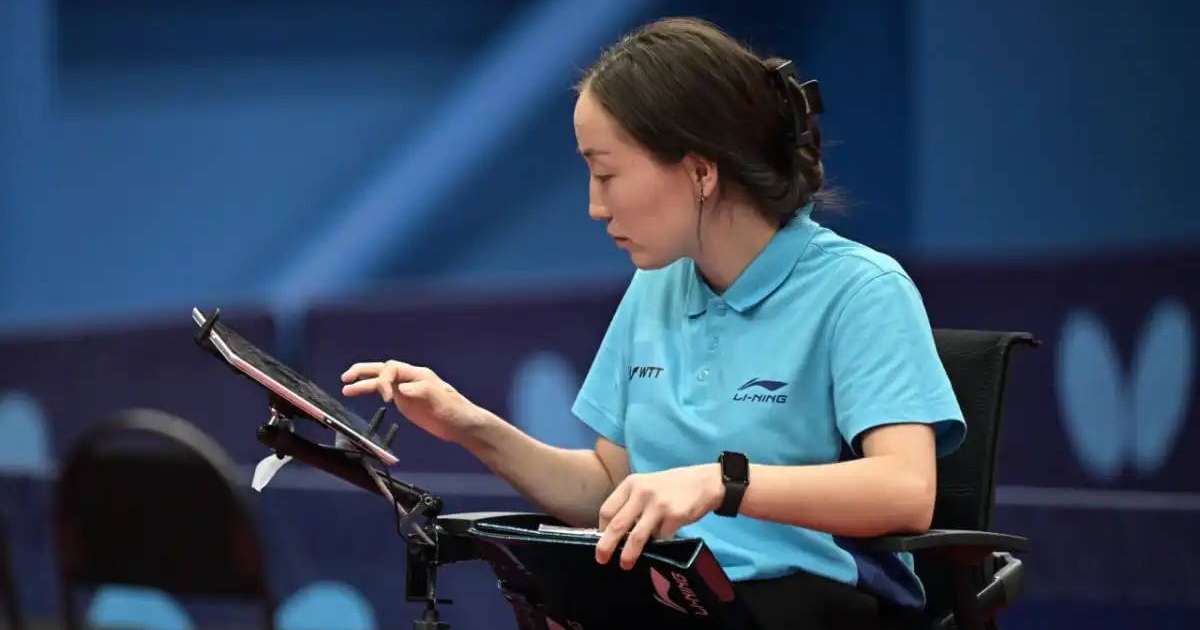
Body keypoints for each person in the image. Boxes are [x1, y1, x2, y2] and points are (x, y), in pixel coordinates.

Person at [340, 17, 964, 630]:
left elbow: (905, 492)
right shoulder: (654, 286)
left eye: (606, 173)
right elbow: (608, 489)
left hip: (809, 602)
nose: (594, 204)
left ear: (699, 171)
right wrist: (470, 427)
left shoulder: (862, 290)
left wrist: (724, 484)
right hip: (670, 597)